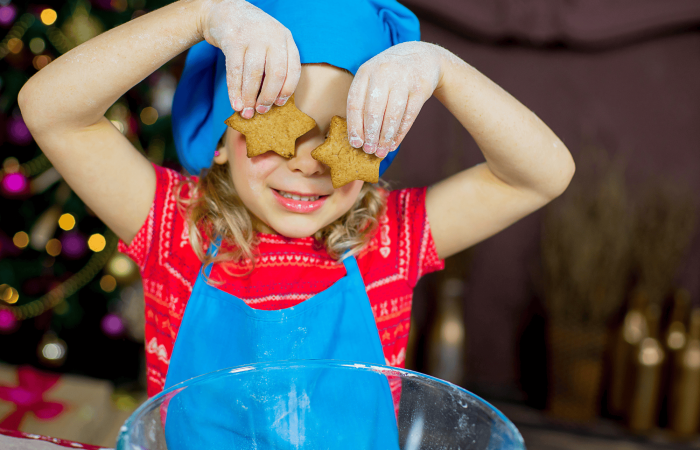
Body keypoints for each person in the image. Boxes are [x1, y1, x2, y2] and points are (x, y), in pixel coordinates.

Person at [18, 0, 574, 446]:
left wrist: (441, 68)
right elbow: (49, 110)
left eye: (345, 135)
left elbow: (542, 175)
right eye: (278, 123)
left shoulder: (390, 237)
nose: (308, 163)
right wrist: (200, 14)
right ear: (218, 140)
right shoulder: (175, 225)